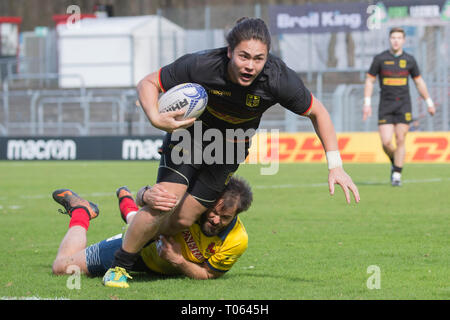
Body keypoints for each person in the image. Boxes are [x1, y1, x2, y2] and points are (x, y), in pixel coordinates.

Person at [106, 17, 360, 288]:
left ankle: (133, 214)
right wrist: (156, 118)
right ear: (229, 52)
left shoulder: (278, 78)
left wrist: (335, 165)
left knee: (181, 219)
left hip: (229, 149)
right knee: (165, 202)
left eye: (259, 58)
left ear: (267, 57)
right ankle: (120, 267)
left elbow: (318, 112)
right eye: (244, 56)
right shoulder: (202, 65)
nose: (250, 65)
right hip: (189, 138)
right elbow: (148, 82)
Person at [51, 175, 252, 287]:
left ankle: (124, 205)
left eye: (224, 217)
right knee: (63, 268)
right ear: (208, 201)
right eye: (214, 212)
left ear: (236, 215)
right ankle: (81, 212)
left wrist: (178, 260)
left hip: (165, 262)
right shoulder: (192, 203)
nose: (216, 220)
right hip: (139, 248)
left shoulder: (237, 239)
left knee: (133, 220)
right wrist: (145, 194)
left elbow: (208, 275)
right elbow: (146, 198)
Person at [363, 27, 436, 186]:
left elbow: (418, 82)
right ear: (389, 40)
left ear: (403, 40)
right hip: (386, 105)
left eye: (399, 38)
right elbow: (370, 80)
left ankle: (397, 174)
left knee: (401, 139)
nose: (396, 40)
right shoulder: (380, 59)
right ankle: (395, 161)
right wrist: (367, 103)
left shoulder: (410, 60)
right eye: (393, 37)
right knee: (386, 142)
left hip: (403, 105)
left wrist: (429, 102)